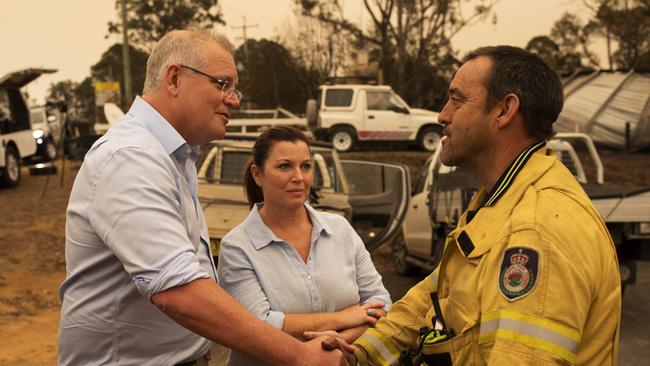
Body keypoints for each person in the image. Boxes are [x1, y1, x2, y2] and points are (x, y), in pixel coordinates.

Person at [58, 30, 346, 366]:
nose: (234, 100)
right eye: (222, 84)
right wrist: (299, 356)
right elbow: (178, 290)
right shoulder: (131, 157)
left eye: (233, 89)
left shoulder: (175, 156)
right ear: (175, 78)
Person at [335, 46, 621, 365]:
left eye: (457, 100)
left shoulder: (537, 229)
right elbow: (435, 295)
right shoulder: (499, 200)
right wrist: (357, 355)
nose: (443, 115)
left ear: (504, 110)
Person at [217, 126, 393, 365]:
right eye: (284, 166)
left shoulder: (339, 229)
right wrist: (343, 317)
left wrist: (335, 341)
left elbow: (381, 302)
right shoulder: (238, 246)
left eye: (306, 166)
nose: (298, 177)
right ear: (258, 174)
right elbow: (260, 326)